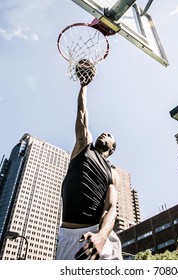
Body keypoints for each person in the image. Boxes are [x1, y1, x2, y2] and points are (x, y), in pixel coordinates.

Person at [56, 68, 122, 260]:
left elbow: (111, 208)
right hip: (68, 238)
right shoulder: (84, 146)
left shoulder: (113, 173)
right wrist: (83, 85)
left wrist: (102, 236)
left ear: (112, 149)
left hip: (99, 235)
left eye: (109, 136)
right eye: (104, 133)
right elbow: (82, 112)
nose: (105, 134)